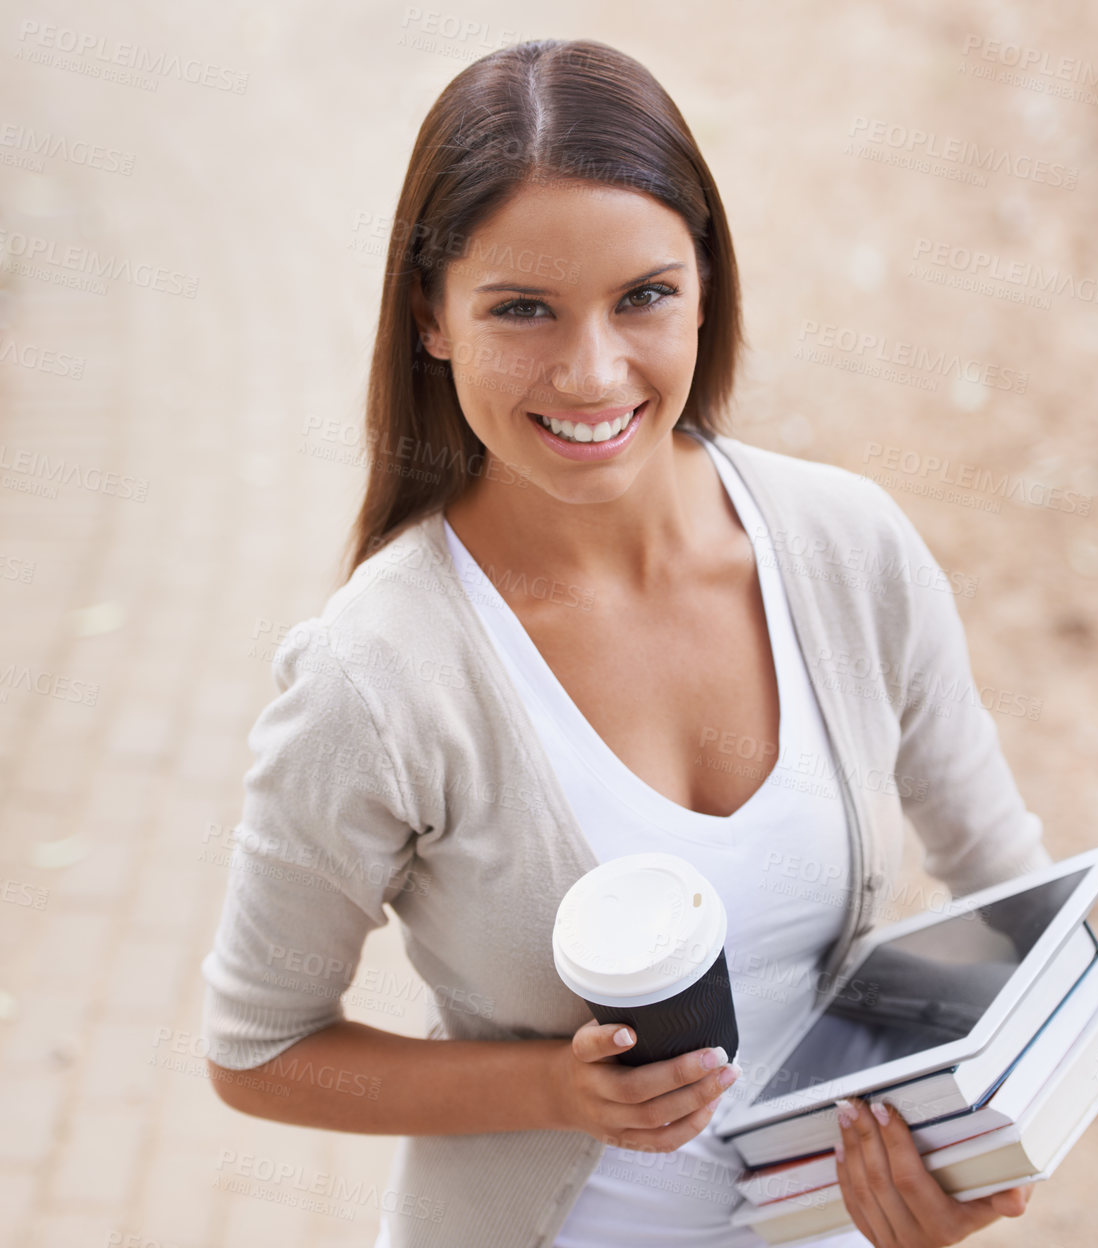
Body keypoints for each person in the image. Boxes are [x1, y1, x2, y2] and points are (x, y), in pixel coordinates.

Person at [200, 38, 1047, 1248]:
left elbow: (1010, 898)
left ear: (705, 284)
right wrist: (547, 1088)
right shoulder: (374, 675)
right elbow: (260, 1050)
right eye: (521, 309)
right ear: (430, 320)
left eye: (642, 296)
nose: (591, 372)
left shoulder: (845, 546)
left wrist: (974, 1153)